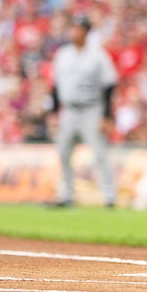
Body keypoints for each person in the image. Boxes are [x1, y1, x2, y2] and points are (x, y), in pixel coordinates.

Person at [48, 15, 119, 208]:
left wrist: (106, 115)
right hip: (69, 110)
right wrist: (54, 111)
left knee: (99, 153)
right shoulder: (63, 54)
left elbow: (109, 86)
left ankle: (109, 197)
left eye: (78, 29)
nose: (74, 32)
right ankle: (66, 195)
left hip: (91, 108)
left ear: (86, 33)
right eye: (72, 28)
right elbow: (54, 85)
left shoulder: (97, 55)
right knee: (63, 151)